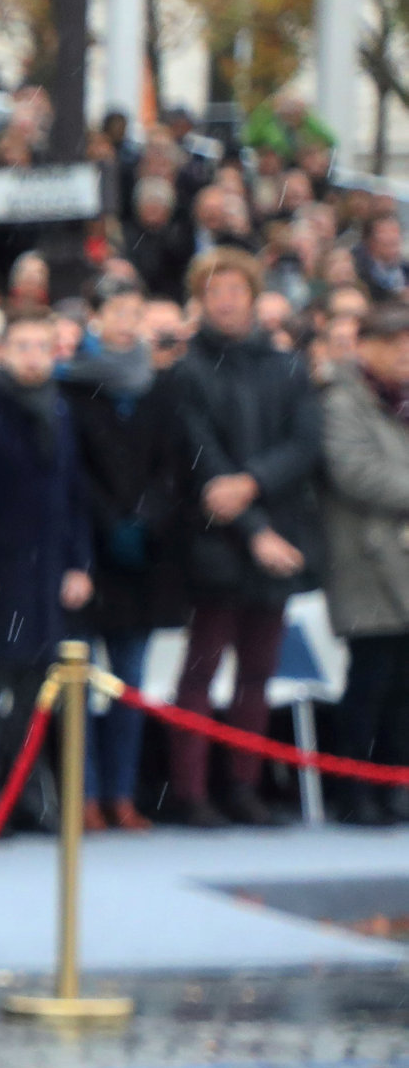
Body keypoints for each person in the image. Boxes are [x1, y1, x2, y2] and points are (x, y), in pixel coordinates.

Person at [160, 251, 321, 826]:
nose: (226, 299)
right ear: (200, 300)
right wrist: (252, 528)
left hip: (277, 537)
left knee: (259, 671)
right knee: (201, 671)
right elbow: (201, 457)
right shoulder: (186, 370)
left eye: (234, 288)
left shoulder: (288, 367)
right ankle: (190, 791)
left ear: (253, 295)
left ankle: (245, 788)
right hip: (212, 540)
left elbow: (303, 446)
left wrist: (251, 488)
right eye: (214, 290)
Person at [0, 311, 94, 834]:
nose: (34, 355)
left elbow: (73, 495)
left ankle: (28, 797)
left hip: (47, 574)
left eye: (42, 345)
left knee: (36, 698)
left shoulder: (59, 408)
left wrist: (79, 562)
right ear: (3, 350)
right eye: (23, 344)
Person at [64, 289, 183, 829]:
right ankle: (83, 796)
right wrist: (110, 521)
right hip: (88, 553)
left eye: (136, 314)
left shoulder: (162, 390)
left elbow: (173, 464)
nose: (125, 323)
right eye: (116, 313)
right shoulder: (72, 388)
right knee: (79, 685)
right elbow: (73, 471)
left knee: (130, 686)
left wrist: (144, 519)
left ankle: (121, 793)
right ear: (97, 319)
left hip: (143, 557)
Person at [316, 305, 409, 820]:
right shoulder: (342, 401)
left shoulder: (402, 402)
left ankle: (395, 785)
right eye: (394, 344)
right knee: (370, 681)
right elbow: (354, 472)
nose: (404, 354)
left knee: (403, 688)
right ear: (364, 346)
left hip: (403, 559)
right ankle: (354, 790)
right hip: (364, 560)